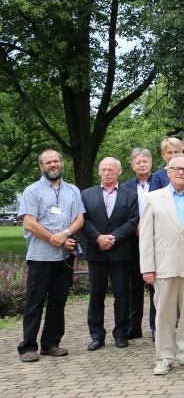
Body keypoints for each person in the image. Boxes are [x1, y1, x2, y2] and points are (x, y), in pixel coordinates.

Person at [139, 153, 184, 375]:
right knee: (164, 314)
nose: (180, 172)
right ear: (168, 171)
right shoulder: (153, 198)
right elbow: (146, 236)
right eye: (176, 169)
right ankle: (163, 357)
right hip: (163, 265)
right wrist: (147, 267)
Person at [17, 149, 85, 363]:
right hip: (40, 256)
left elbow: (79, 219)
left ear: (62, 163)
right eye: (48, 162)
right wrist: (55, 239)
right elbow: (30, 223)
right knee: (35, 302)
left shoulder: (73, 190)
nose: (53, 165)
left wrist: (65, 235)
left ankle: (51, 344)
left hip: (63, 258)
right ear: (41, 166)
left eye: (56, 161)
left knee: (58, 302)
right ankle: (28, 347)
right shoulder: (32, 190)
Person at [81, 157, 139, 351]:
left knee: (122, 295)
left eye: (111, 170)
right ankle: (97, 335)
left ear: (119, 172)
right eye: (103, 170)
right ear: (99, 172)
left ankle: (121, 333)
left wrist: (113, 238)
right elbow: (84, 220)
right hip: (96, 251)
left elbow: (133, 221)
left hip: (121, 252)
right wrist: (98, 238)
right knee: (96, 295)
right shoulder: (86, 195)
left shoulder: (130, 195)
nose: (107, 173)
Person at [122, 147, 154, 340]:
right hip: (132, 239)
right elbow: (122, 212)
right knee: (133, 284)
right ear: (132, 165)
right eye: (138, 162)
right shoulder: (125, 187)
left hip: (155, 239)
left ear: (151, 162)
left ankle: (155, 326)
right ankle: (134, 326)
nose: (142, 165)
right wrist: (134, 227)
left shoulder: (159, 183)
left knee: (154, 284)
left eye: (145, 161)